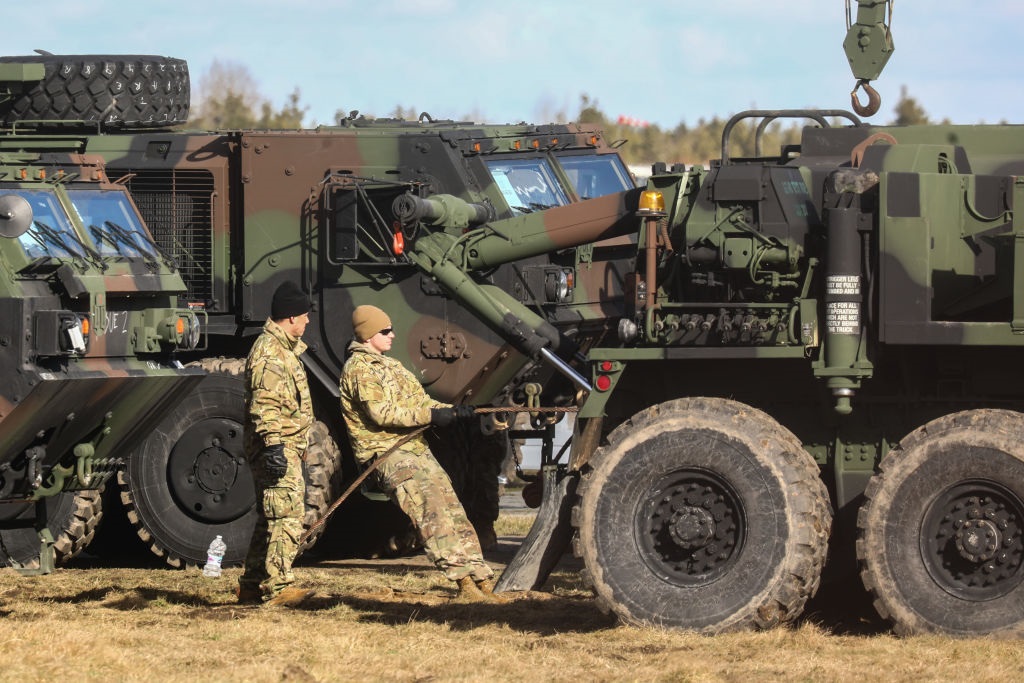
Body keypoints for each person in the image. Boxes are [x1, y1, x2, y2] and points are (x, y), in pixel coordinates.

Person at [339, 304, 500, 602]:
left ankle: (482, 579)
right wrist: (430, 416)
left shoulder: (392, 366)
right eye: (385, 331)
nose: (392, 335)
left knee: (454, 510)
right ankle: (463, 582)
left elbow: (421, 400)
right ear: (368, 334)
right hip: (389, 454)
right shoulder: (358, 370)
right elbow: (381, 413)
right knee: (432, 512)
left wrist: (455, 412)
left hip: (416, 451)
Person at [237, 280, 315, 606]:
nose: (308, 321)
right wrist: (273, 446)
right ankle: (279, 587)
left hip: (284, 446)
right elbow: (264, 404)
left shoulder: (282, 349)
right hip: (277, 448)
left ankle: (252, 584)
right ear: (291, 317)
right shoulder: (270, 354)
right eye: (305, 315)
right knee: (286, 516)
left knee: (270, 516)